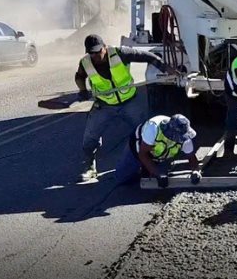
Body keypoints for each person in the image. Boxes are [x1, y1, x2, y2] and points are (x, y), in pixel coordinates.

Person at [75, 34, 175, 182]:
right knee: (90, 137)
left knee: (146, 133)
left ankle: (151, 163)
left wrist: (165, 67)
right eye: (92, 53)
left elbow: (147, 56)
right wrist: (82, 90)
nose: (95, 56)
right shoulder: (86, 63)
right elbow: (79, 76)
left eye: (98, 51)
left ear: (105, 47)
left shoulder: (120, 53)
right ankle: (90, 167)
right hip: (104, 104)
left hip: (129, 102)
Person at [115, 114, 201, 187]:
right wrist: (157, 173)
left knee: (158, 177)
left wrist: (196, 171)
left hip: (159, 156)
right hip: (138, 150)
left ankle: (147, 170)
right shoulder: (153, 128)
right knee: (122, 178)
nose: (180, 139)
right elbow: (142, 154)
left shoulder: (185, 137)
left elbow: (191, 157)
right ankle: (143, 169)